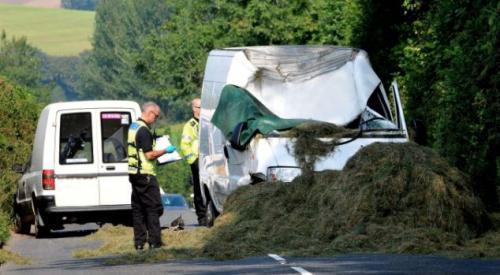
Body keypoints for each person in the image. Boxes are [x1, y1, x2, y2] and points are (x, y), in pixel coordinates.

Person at [128, 102, 175, 250]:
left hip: (134, 173)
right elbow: (149, 155)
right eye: (156, 116)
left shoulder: (133, 127)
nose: (156, 119)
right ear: (149, 112)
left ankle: (139, 242)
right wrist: (166, 150)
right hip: (146, 174)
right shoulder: (144, 130)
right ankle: (155, 242)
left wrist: (158, 139)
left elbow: (139, 146)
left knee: (138, 209)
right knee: (154, 208)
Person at [180, 98, 206, 226]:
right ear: (194, 108)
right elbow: (184, 145)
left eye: (203, 107)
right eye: (199, 107)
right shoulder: (190, 126)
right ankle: (201, 217)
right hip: (197, 160)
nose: (201, 110)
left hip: (209, 160)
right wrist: (193, 161)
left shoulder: (206, 123)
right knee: (198, 189)